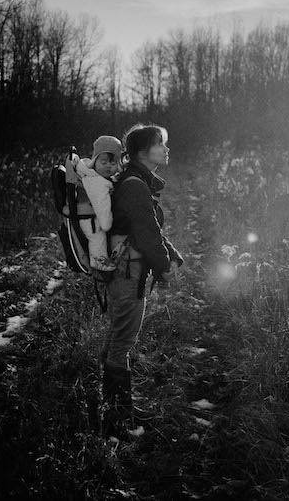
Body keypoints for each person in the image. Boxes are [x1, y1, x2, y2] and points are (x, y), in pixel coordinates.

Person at [101, 123, 183, 440]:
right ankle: (118, 421)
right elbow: (148, 236)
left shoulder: (137, 182)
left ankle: (114, 409)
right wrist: (164, 268)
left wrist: (171, 255)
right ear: (141, 151)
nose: (165, 149)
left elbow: (148, 228)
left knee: (117, 340)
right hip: (128, 272)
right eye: (159, 144)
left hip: (127, 270)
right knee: (121, 343)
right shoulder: (135, 185)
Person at [73, 135, 123, 270]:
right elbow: (102, 207)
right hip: (90, 219)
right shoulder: (98, 183)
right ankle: (98, 262)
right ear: (95, 161)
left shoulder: (93, 174)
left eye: (113, 164)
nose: (108, 167)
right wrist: (106, 224)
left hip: (88, 213)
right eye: (104, 162)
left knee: (98, 237)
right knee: (97, 238)